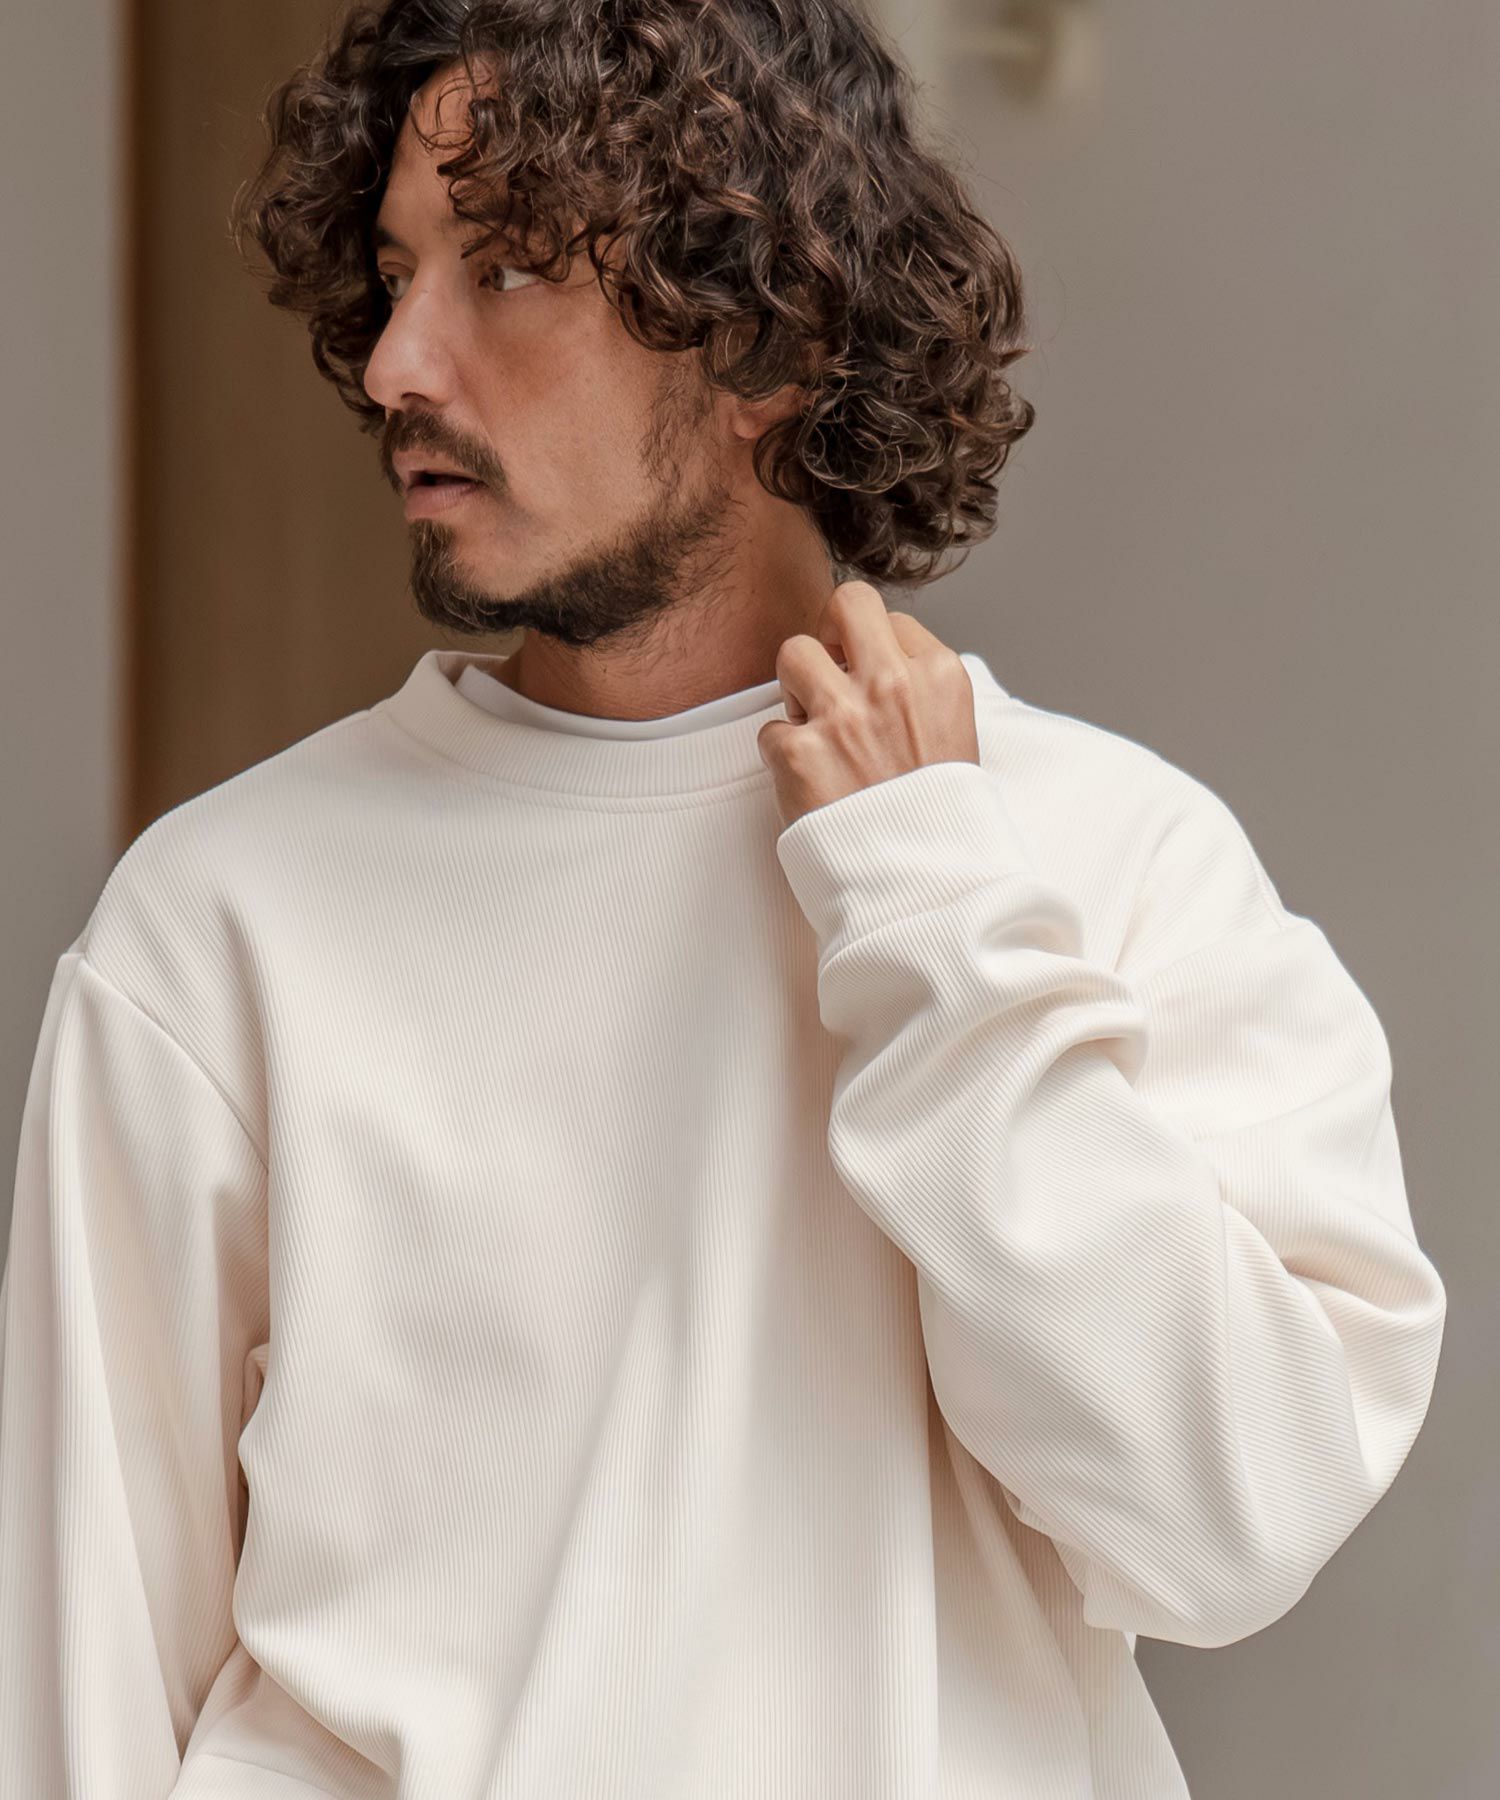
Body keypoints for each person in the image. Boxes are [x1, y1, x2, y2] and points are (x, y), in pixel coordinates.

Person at [0, 3, 1447, 1796]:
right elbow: (79, 1696)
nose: (395, 363)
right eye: (391, 274)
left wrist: (935, 923)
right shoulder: (212, 928)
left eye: (506, 266)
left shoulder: (1097, 855)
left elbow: (1231, 1526)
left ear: (766, 328)